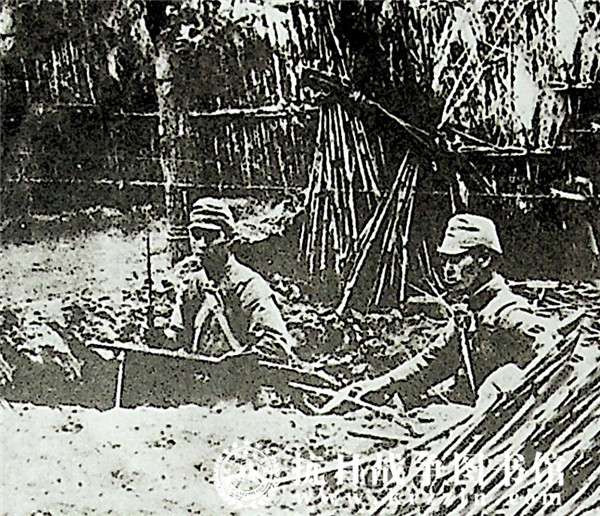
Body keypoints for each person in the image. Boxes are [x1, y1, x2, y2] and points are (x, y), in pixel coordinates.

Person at [335, 213, 565, 410]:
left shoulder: (506, 312)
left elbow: (552, 351)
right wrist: (379, 385)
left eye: (456, 260)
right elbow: (434, 360)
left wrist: (506, 382)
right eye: (445, 260)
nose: (447, 270)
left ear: (484, 259)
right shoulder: (471, 311)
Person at [165, 197, 295, 362]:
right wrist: (160, 338)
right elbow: (177, 337)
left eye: (211, 235)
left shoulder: (250, 287)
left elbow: (277, 346)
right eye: (196, 235)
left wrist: (235, 362)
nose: (202, 244)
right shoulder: (191, 285)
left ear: (229, 239)